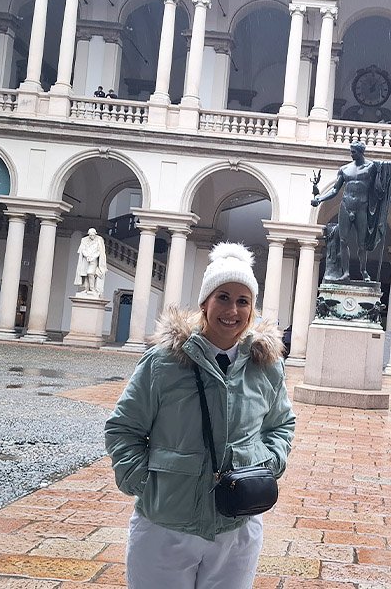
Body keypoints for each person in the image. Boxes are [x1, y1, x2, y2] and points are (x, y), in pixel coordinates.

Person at [105, 242, 295, 589]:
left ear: (252, 309)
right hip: (166, 523)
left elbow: (281, 424)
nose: (232, 310)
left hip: (237, 523)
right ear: (204, 302)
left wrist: (268, 462)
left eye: (243, 301)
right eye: (223, 297)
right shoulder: (163, 362)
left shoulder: (265, 366)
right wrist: (144, 481)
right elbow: (124, 428)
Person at [311, 133, 391, 282]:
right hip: (346, 206)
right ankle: (345, 273)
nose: (351, 154)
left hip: (362, 207)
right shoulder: (344, 169)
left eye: (353, 152)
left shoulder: (372, 167)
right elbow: (335, 190)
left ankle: (363, 271)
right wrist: (319, 199)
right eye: (351, 151)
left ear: (361, 152)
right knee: (343, 241)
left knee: (362, 243)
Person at [74, 228, 107, 297]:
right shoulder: (84, 240)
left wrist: (93, 257)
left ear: (95, 234)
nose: (92, 237)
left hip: (93, 260)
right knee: (85, 274)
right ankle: (86, 289)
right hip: (86, 259)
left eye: (93, 235)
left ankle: (92, 289)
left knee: (90, 272)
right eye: (90, 235)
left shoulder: (99, 239)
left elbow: (100, 251)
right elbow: (82, 250)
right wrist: (87, 256)